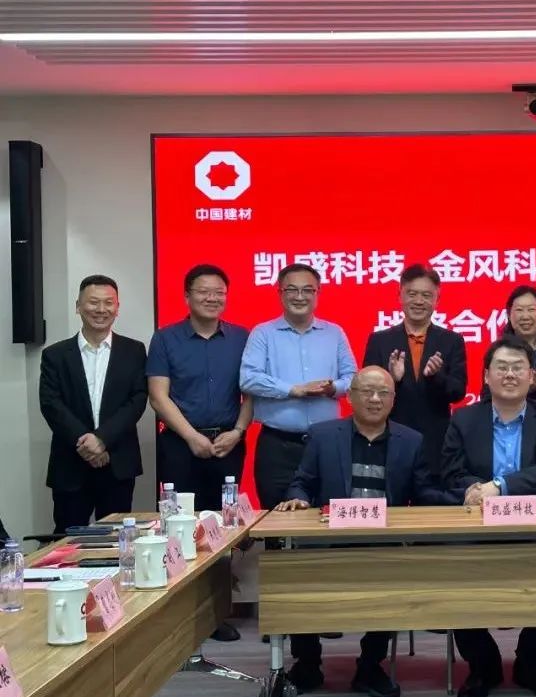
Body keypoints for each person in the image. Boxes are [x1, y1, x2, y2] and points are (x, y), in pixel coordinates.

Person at [275, 367, 434, 697]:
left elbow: (424, 494)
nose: (375, 399)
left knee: (394, 578)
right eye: (367, 391)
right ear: (350, 396)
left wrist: (463, 498)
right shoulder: (323, 435)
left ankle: (370, 666)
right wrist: (298, 499)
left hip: (384, 544)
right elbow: (302, 482)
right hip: (329, 541)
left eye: (384, 393)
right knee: (293, 574)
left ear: (393, 399)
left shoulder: (412, 440)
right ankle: (308, 663)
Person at [440, 336, 536, 697]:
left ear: (532, 376)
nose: (510, 375)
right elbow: (451, 472)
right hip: (477, 524)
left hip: (534, 524)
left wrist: (499, 487)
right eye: (501, 367)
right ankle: (483, 665)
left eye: (518, 368)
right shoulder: (464, 419)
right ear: (486, 376)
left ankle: (532, 661)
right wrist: (473, 489)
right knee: (450, 567)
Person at [147, 263, 251, 642]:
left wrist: (237, 432)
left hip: (227, 445)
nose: (212, 298)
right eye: (204, 291)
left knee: (220, 530)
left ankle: (213, 613)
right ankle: (178, 614)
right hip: (179, 444)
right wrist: (191, 436)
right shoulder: (165, 339)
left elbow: (252, 393)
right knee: (178, 527)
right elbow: (158, 396)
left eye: (219, 292)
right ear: (187, 296)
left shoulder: (242, 338)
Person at [239, 263, 356, 510]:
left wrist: (332, 388)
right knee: (276, 516)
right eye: (291, 289)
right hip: (278, 446)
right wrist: (294, 390)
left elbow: (353, 379)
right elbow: (248, 378)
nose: (299, 296)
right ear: (280, 293)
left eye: (307, 290)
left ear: (317, 293)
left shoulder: (334, 333)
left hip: (326, 443)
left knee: (328, 514)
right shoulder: (263, 333)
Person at [40, 275, 148, 533]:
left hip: (118, 461)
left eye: (108, 303)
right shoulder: (55, 354)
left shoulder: (134, 351)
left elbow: (137, 400)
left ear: (117, 308)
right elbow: (51, 403)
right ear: (78, 306)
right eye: (93, 302)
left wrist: (102, 439)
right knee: (67, 539)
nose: (101, 309)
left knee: (118, 540)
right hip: (70, 462)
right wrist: (87, 443)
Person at [363, 264, 467, 485]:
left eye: (427, 295)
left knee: (432, 505)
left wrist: (436, 376)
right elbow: (365, 394)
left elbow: (458, 391)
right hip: (389, 441)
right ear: (400, 296)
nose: (419, 301)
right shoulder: (379, 340)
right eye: (412, 294)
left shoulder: (452, 341)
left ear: (437, 300)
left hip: (436, 444)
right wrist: (392, 380)